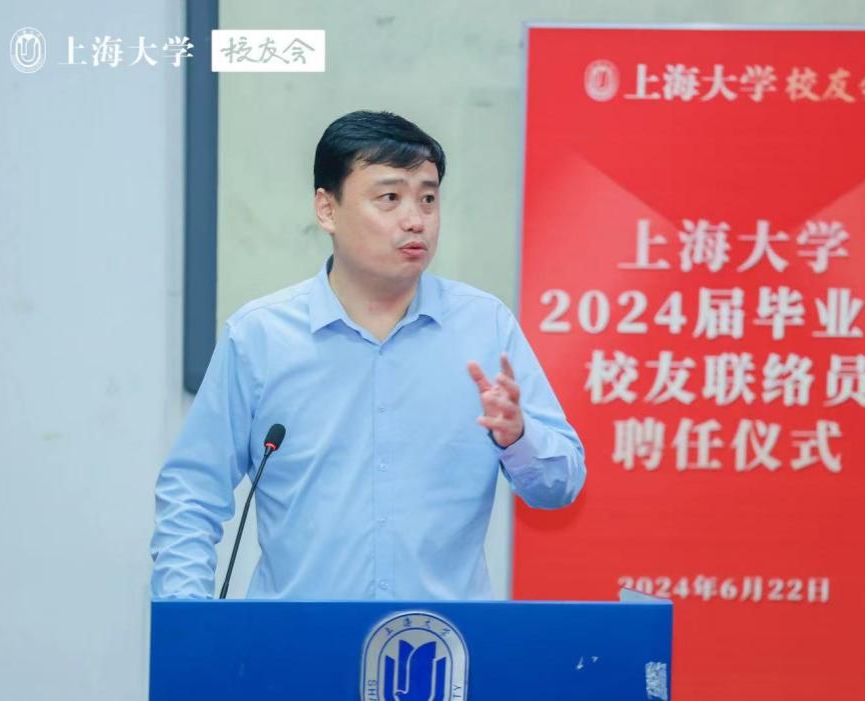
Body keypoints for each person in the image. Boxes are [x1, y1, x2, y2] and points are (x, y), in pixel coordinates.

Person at [150, 110, 586, 600]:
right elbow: (192, 495)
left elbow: (561, 485)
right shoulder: (260, 337)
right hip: (295, 639)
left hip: (441, 641)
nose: (415, 220)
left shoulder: (485, 328)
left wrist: (519, 437)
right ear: (327, 209)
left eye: (428, 198)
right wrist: (186, 623)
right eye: (390, 198)